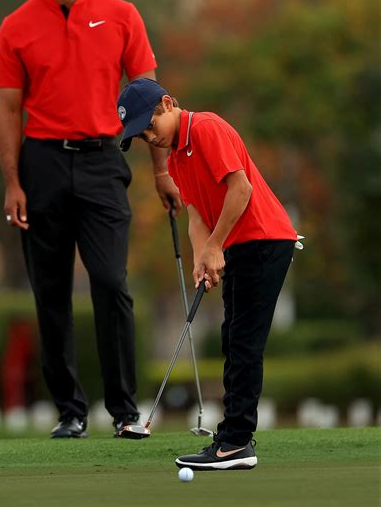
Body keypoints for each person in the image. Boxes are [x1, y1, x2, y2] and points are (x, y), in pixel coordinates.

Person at [0, 0, 180, 439]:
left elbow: (150, 104)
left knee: (110, 283)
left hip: (102, 161)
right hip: (43, 164)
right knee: (50, 290)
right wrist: (13, 182)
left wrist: (163, 171)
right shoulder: (16, 25)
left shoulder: (122, 15)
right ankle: (70, 412)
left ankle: (123, 410)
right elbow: (8, 110)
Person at [117, 78, 299, 469]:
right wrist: (202, 257)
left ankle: (236, 443)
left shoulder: (206, 128)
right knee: (232, 339)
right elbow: (197, 213)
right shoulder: (176, 158)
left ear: (167, 104)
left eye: (150, 126)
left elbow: (241, 189)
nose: (151, 138)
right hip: (240, 243)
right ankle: (232, 438)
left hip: (265, 240)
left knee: (244, 342)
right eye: (142, 136)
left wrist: (216, 245)